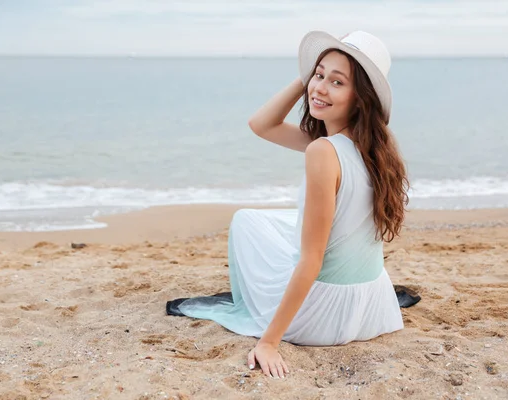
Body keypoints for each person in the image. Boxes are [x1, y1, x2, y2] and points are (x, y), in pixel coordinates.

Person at [166, 30, 410, 379]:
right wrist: (310, 78)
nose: (320, 88)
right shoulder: (377, 146)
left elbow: (313, 260)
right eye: (319, 74)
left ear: (361, 98)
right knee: (260, 221)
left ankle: (270, 322)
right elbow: (261, 126)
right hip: (373, 307)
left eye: (337, 82)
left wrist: (269, 342)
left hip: (324, 317)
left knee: (245, 224)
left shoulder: (323, 151)